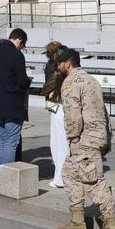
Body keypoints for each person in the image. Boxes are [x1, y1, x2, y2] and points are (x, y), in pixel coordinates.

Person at [56, 47, 115, 229]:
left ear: (67, 63)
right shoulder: (92, 80)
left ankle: (112, 223)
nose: (58, 67)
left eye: (59, 64)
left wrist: (72, 137)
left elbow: (73, 116)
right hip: (97, 136)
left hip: (84, 138)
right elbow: (104, 111)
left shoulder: (70, 82)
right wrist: (107, 139)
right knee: (69, 173)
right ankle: (77, 220)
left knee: (93, 181)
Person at [0, 27, 30, 169]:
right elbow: (22, 81)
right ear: (19, 40)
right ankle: (7, 178)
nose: (21, 48)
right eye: (22, 45)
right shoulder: (17, 56)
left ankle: (1, 175)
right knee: (11, 142)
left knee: (0, 141)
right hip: (13, 104)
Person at [43, 40, 69, 190]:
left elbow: (48, 89)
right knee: (65, 142)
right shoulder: (68, 66)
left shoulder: (51, 67)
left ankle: (60, 178)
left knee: (58, 143)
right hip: (66, 104)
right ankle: (63, 176)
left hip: (57, 105)